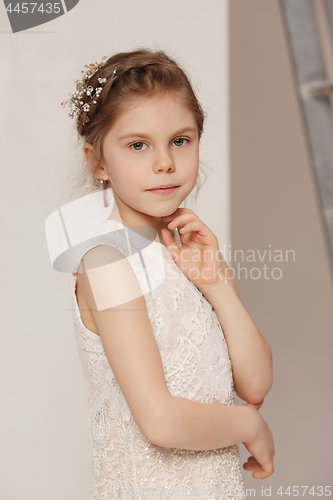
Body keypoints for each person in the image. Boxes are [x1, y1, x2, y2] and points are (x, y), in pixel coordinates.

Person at [61, 48, 275, 500]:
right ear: (98, 161)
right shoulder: (108, 263)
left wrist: (217, 284)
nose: (165, 163)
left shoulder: (185, 254)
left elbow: (254, 383)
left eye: (181, 140)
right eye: (138, 145)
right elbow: (159, 420)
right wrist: (248, 423)